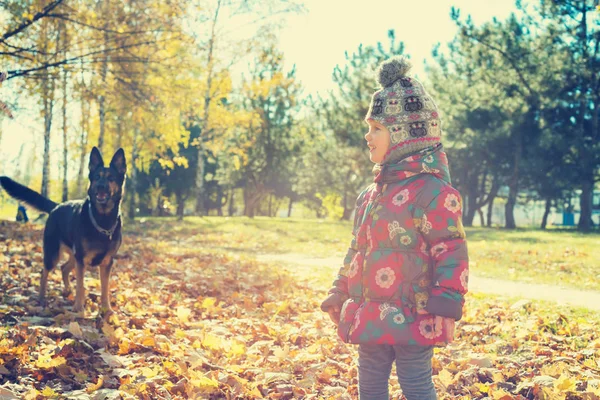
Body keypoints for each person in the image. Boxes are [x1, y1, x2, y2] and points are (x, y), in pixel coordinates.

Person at [320, 56, 469, 400]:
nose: (367, 135)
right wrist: (339, 289)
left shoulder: (434, 194)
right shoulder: (370, 196)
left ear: (403, 135)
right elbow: (356, 250)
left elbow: (451, 251)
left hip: (416, 313)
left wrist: (445, 302)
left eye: (376, 128)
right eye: (368, 127)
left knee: (415, 381)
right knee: (369, 380)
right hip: (371, 311)